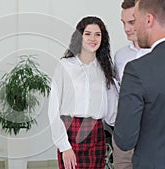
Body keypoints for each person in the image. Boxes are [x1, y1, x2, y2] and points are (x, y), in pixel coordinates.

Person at [48, 16, 118, 169]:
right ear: (80, 36)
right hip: (71, 134)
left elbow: (113, 110)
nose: (93, 38)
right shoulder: (65, 66)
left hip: (97, 134)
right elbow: (53, 109)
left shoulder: (104, 70)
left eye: (98, 34)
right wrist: (64, 146)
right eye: (88, 33)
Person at [114, 0, 165, 168]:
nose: (131, 28)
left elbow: (125, 139)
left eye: (135, 19)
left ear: (148, 20)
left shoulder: (137, 70)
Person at [112, 0, 150, 168]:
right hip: (125, 132)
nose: (127, 28)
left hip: (154, 132)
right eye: (124, 23)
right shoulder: (120, 57)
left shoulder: (162, 54)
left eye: (132, 22)